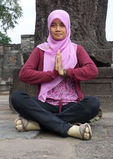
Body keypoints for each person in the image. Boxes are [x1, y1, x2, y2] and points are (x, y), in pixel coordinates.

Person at [10, 10, 100, 140]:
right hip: (46, 104)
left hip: (71, 105)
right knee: (17, 98)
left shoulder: (76, 49)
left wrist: (66, 72)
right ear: (49, 28)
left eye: (62, 25)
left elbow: (92, 70)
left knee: (93, 104)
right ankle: (68, 128)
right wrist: (52, 74)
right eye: (53, 25)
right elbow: (24, 74)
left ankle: (39, 124)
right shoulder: (41, 50)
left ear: (67, 27)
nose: (57, 29)